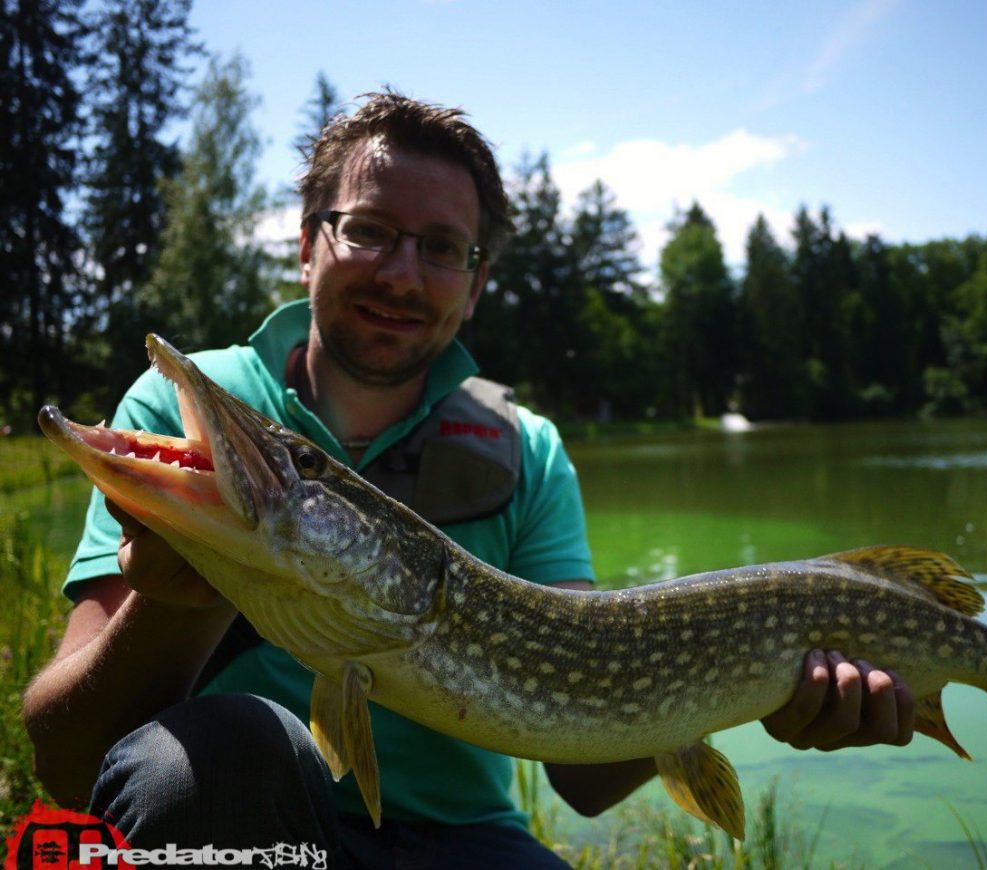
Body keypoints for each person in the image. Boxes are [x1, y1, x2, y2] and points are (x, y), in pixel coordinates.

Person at [22, 90, 915, 868]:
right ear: (308, 245)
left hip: (465, 844)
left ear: (476, 284)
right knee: (214, 757)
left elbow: (585, 778)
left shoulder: (525, 448)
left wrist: (747, 690)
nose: (402, 273)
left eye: (444, 248)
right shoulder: (186, 411)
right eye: (370, 230)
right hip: (251, 821)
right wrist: (176, 601)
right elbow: (68, 761)